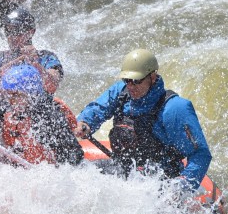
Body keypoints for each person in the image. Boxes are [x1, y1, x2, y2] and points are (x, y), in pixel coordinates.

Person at [74, 49, 212, 192]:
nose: (130, 86)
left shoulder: (174, 109)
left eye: (136, 81)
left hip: (161, 181)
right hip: (124, 171)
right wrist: (85, 122)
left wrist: (181, 186)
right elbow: (98, 109)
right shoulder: (121, 92)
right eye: (126, 80)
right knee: (77, 171)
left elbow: (200, 155)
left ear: (152, 77)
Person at [0, 64, 84, 166]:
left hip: (43, 171)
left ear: (31, 95)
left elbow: (74, 153)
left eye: (16, 95)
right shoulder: (7, 110)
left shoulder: (49, 117)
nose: (11, 100)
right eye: (9, 95)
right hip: (17, 168)